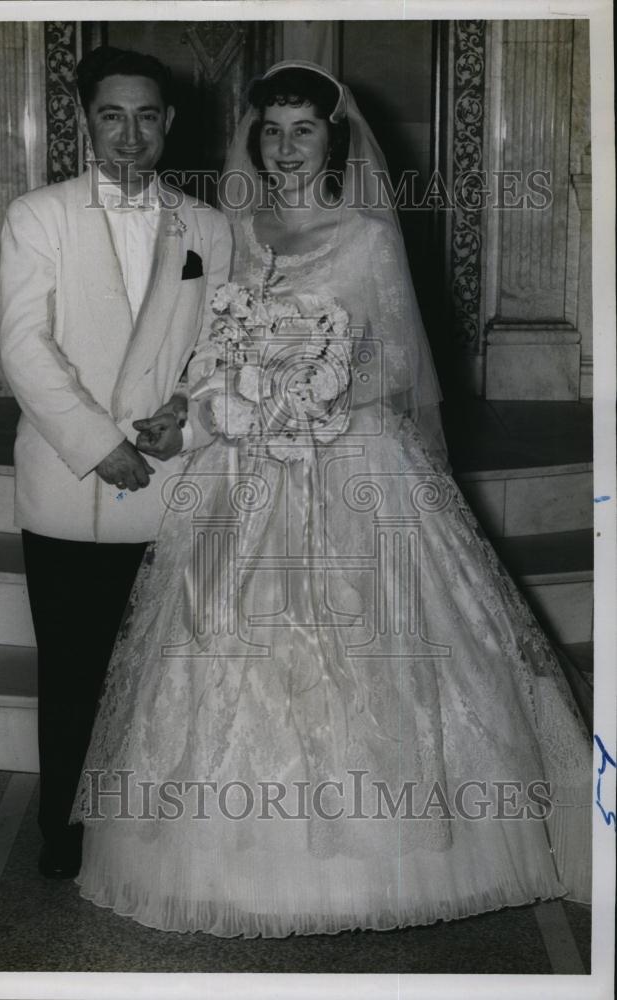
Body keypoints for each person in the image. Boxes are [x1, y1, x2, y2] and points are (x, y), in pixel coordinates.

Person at [71, 61, 592, 936]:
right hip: (241, 472)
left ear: (333, 138)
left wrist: (300, 400)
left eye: (301, 130)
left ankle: (381, 863)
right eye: (270, 130)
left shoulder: (365, 237)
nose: (283, 147)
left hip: (348, 464)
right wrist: (194, 413)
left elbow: (394, 371)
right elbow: (208, 355)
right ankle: (228, 869)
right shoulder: (232, 231)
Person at [0, 46, 232, 879]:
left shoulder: (208, 227)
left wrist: (188, 421)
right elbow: (25, 349)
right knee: (71, 674)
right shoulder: (39, 215)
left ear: (168, 123)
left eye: (145, 116)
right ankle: (65, 836)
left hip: (170, 486)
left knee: (161, 673)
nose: (128, 134)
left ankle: (145, 837)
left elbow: (217, 351)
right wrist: (101, 447)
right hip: (71, 486)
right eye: (110, 115)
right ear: (85, 121)